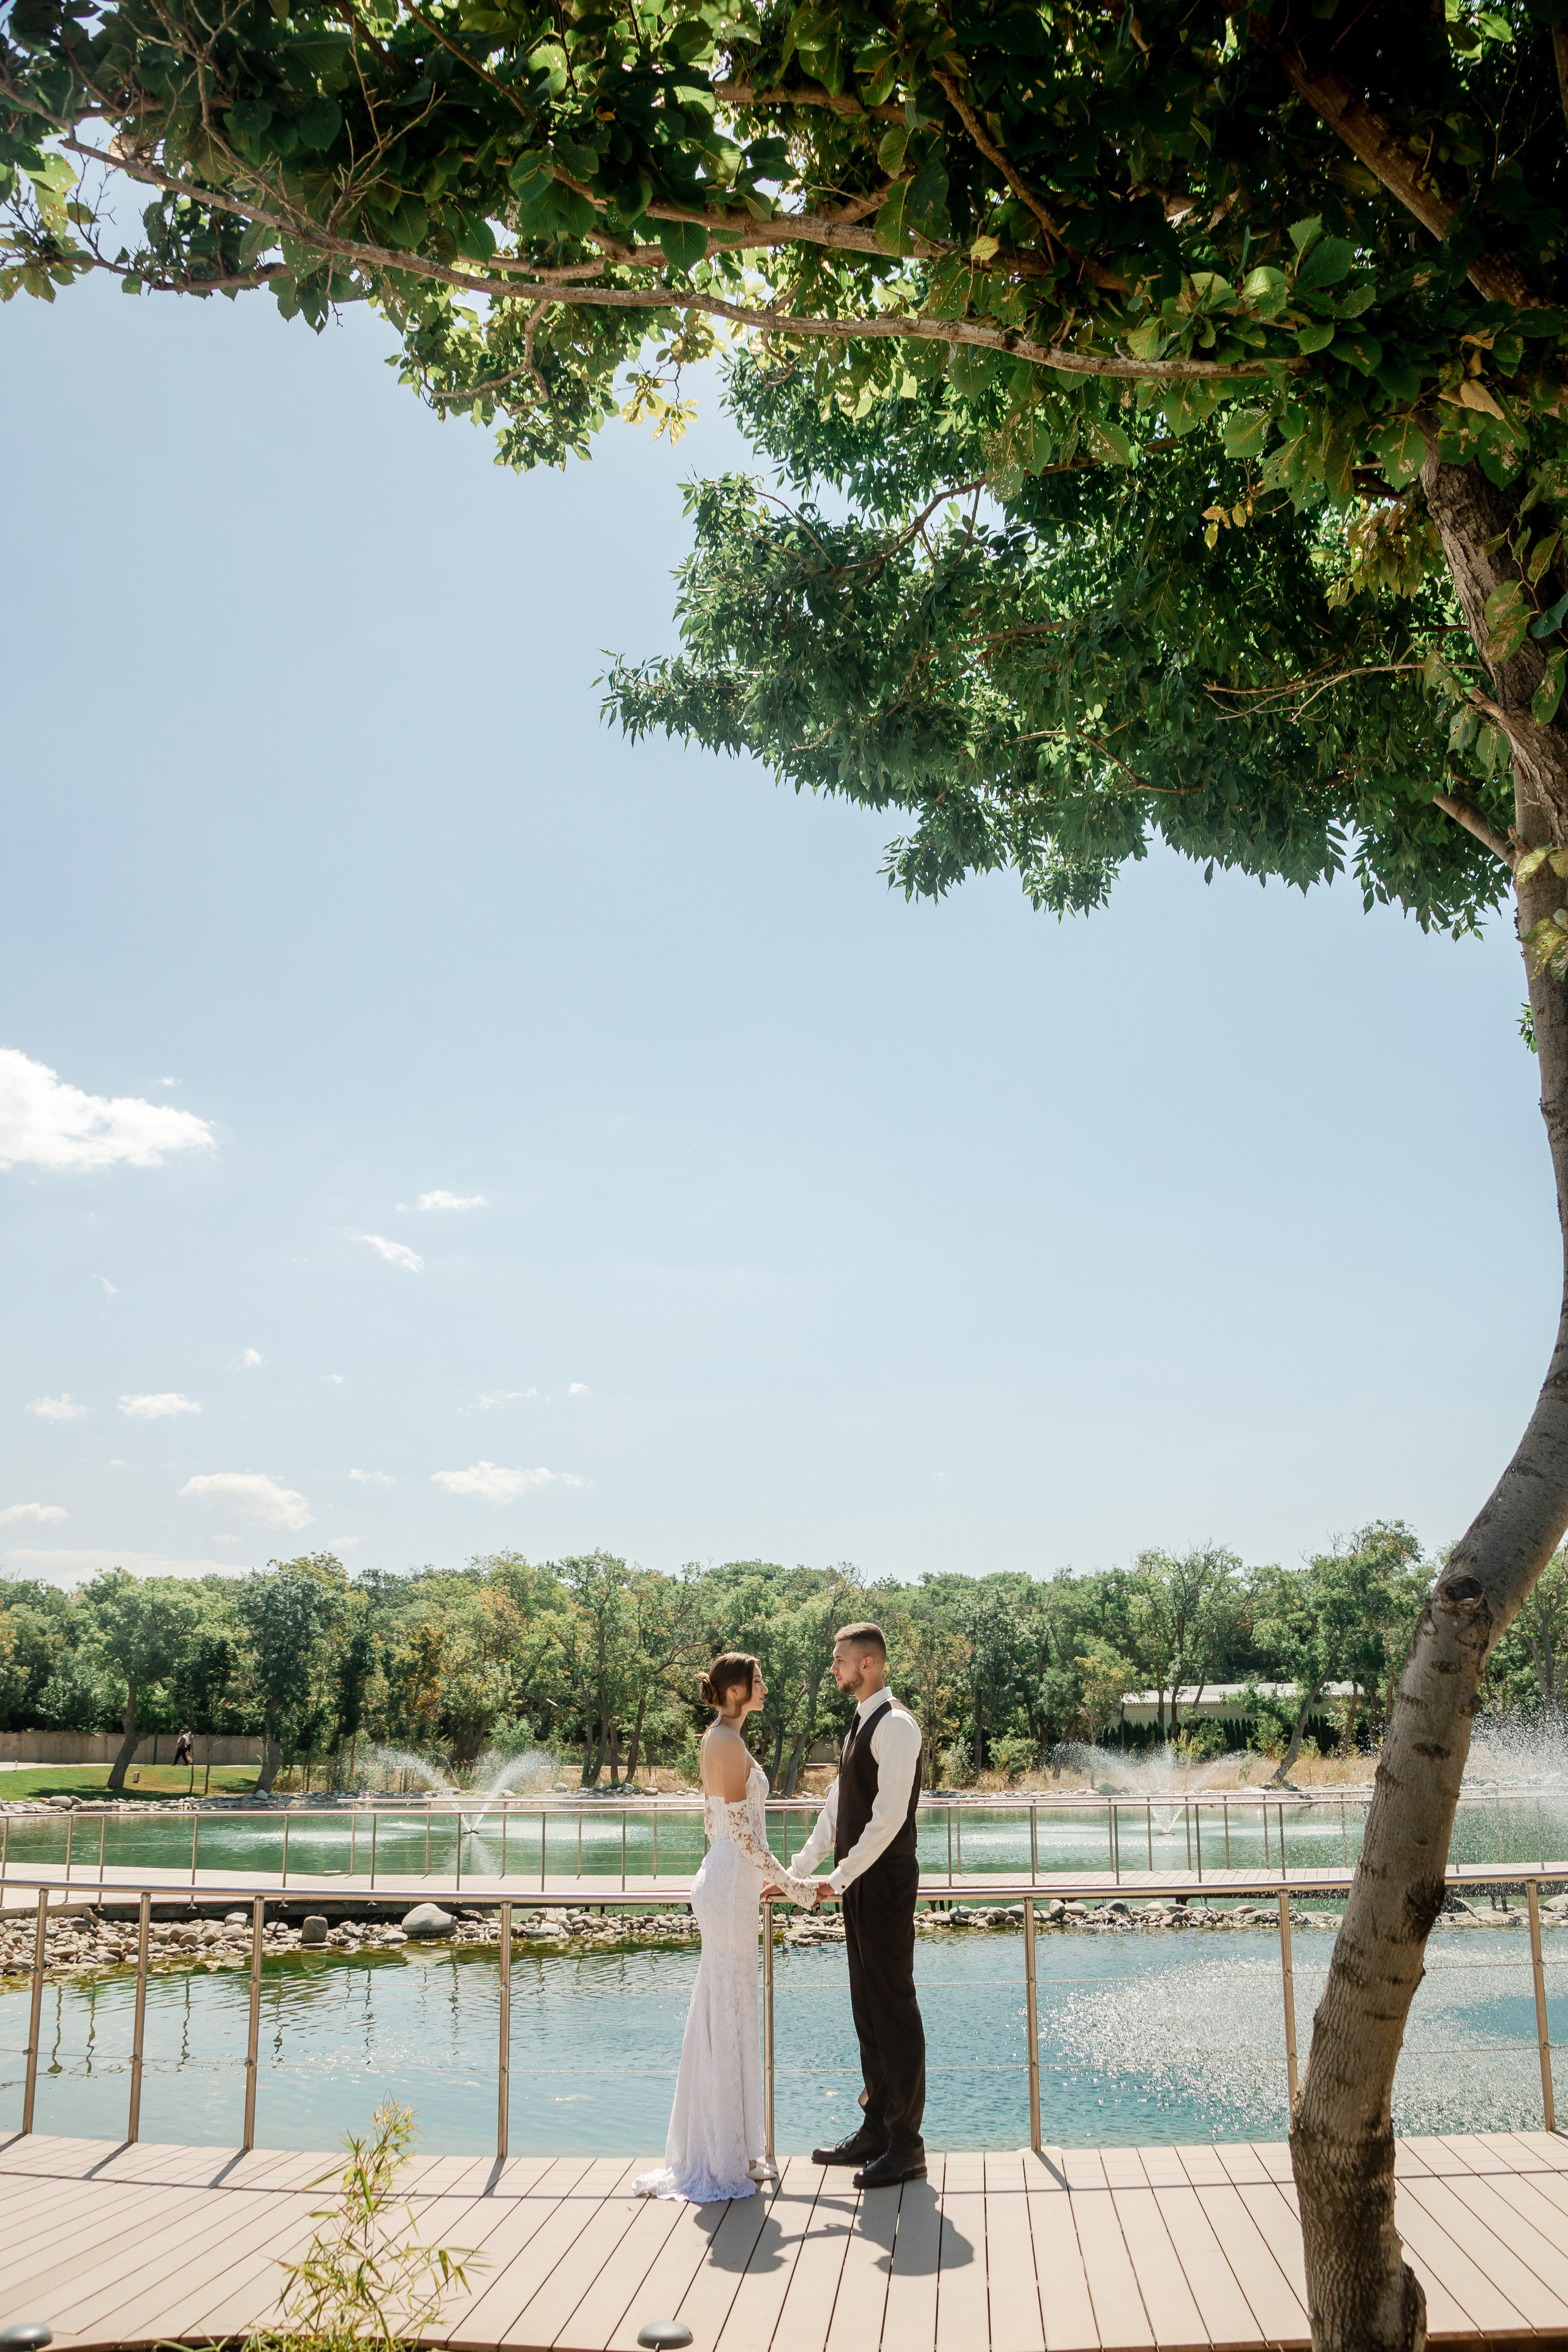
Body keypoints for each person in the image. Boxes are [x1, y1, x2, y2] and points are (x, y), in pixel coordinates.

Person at [635, 1652, 794, 2203]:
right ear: (733, 1692)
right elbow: (740, 1835)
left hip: (734, 1884)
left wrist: (771, 1878)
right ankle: (721, 2155)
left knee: (732, 2008)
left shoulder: (729, 1738)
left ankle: (737, 2145)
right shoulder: (723, 1742)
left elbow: (735, 1832)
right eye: (757, 1680)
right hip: (730, 1884)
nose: (765, 1686)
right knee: (726, 2009)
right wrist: (793, 1884)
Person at [785, 1621, 926, 2189]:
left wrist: (839, 1878)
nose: (835, 1668)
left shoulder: (897, 1726)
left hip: (884, 1884)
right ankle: (876, 2131)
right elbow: (838, 1811)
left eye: (841, 1660)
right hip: (857, 1883)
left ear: (869, 1664)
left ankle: (907, 2146)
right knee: (867, 2008)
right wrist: (797, 1873)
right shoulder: (861, 1723)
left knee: (893, 2008)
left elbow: (888, 1819)